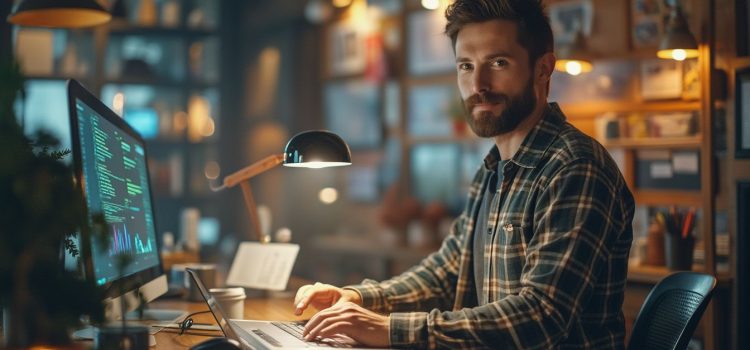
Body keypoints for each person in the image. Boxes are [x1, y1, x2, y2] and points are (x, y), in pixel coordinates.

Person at [294, 0, 635, 348]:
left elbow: (542, 315)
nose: (478, 84)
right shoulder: (492, 170)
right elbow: (447, 272)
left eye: (498, 63)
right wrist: (359, 298)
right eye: (466, 66)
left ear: (543, 69)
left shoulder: (575, 166)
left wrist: (388, 329)